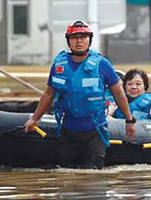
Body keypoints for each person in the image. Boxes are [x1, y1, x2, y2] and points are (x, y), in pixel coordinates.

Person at [24, 20, 136, 169]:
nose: (79, 41)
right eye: (74, 38)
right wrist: (34, 119)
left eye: (83, 37)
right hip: (69, 130)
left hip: (95, 132)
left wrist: (129, 120)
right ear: (68, 41)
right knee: (67, 175)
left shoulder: (102, 64)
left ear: (89, 40)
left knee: (92, 176)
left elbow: (118, 93)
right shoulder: (59, 65)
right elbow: (48, 94)